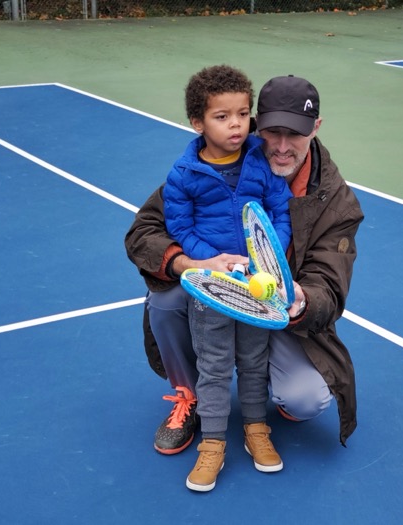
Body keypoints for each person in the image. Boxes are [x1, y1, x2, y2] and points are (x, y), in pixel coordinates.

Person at [125, 74, 364, 471]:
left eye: (296, 135)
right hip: (216, 289)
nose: (283, 147)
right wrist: (193, 264)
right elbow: (144, 232)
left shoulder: (337, 202)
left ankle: (266, 403)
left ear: (316, 129)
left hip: (282, 310)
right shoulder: (206, 167)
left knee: (307, 399)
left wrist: (297, 296)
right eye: (273, 132)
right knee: (165, 295)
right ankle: (190, 396)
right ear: (256, 124)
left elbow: (329, 286)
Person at [163, 65, 293, 492]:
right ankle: (213, 443)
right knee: (215, 367)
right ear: (197, 123)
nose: (236, 124)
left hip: (259, 288)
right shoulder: (183, 175)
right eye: (222, 116)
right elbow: (181, 230)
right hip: (213, 290)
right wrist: (210, 262)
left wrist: (267, 260)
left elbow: (278, 212)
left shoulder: (260, 158)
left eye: (242, 113)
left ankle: (256, 429)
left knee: (254, 362)